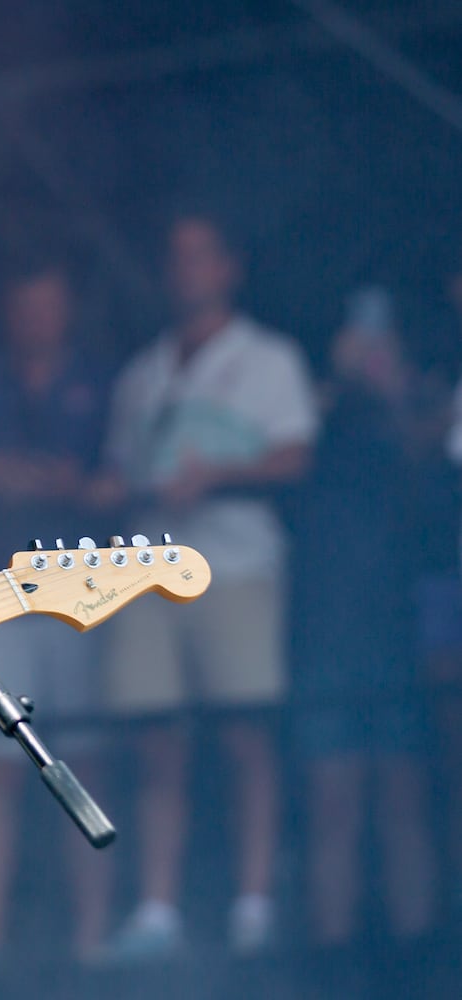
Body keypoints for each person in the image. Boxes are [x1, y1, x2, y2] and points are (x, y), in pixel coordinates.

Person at [95, 212, 317, 959]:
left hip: (237, 565)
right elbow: (121, 473)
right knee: (156, 738)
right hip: (143, 572)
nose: (185, 269)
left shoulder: (268, 359)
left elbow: (294, 459)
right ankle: (156, 909)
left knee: (244, 732)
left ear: (229, 267)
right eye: (175, 256)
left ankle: (253, 902)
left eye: (199, 256)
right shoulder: (142, 373)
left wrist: (216, 476)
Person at [0, 257, 113, 967]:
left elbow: (124, 483)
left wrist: (76, 485)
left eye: (49, 305)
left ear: (67, 309)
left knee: (86, 754)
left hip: (87, 601)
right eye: (24, 306)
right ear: (8, 310)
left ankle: (95, 942)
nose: (36, 318)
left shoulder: (99, 383)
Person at [292, 286, 438, 948]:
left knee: (406, 803)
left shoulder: (417, 409)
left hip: (399, 625)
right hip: (324, 627)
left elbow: (428, 476)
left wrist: (394, 393)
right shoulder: (309, 413)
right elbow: (288, 471)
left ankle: (418, 958)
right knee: (332, 804)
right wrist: (333, 395)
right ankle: (331, 965)